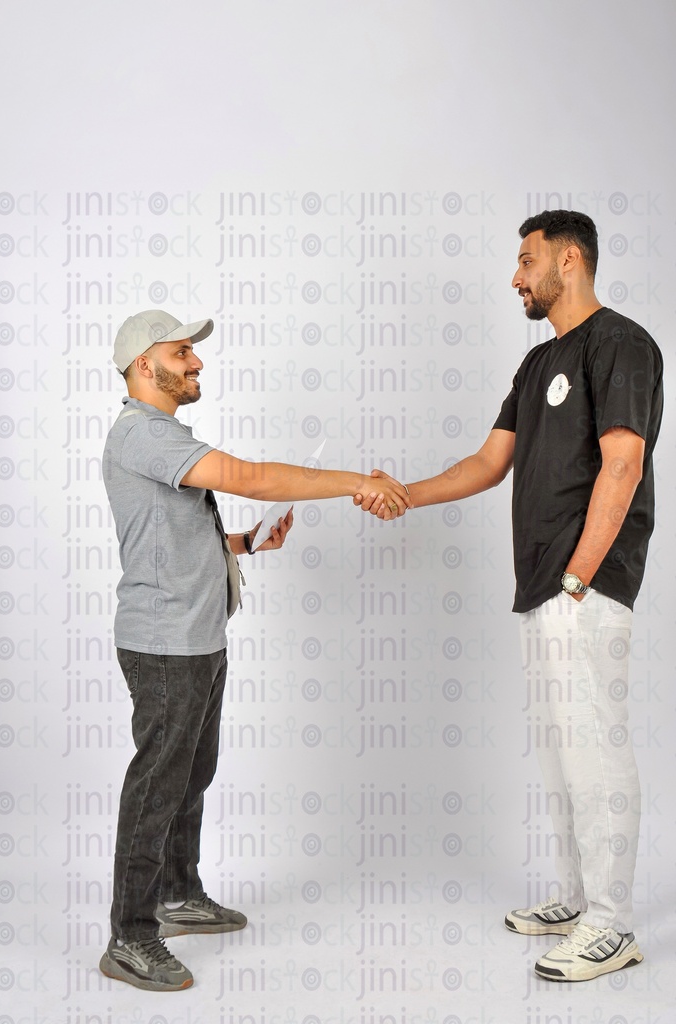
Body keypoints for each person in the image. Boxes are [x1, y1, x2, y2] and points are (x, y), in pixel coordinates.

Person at [359, 211, 663, 982]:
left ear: (570, 260)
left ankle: (613, 924)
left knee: (595, 748)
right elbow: (487, 463)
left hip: (583, 583)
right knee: (562, 752)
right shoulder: (536, 367)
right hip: (543, 587)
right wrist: (403, 495)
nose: (515, 277)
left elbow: (622, 467)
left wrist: (579, 574)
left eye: (527, 262)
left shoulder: (623, 343)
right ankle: (575, 896)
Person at [99, 308, 411, 991]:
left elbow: (169, 537)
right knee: (158, 785)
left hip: (198, 638)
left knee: (190, 775)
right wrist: (353, 481)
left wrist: (243, 545)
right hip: (164, 646)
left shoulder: (160, 438)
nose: (198, 363)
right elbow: (253, 476)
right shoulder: (139, 434)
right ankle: (130, 935)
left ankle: (177, 893)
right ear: (146, 366)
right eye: (184, 352)